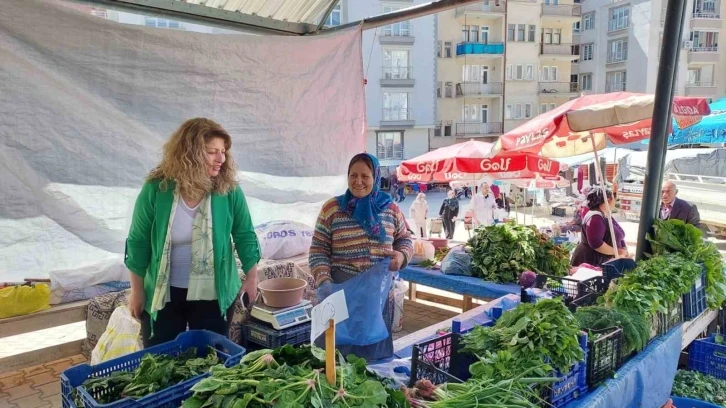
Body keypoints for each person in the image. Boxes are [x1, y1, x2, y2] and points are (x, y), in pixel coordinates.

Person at [125, 118, 261, 347]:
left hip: (213, 293)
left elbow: (244, 234)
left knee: (210, 358)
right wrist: (137, 291)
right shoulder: (157, 189)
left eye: (223, 152)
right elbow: (138, 242)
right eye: (211, 152)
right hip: (163, 294)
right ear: (189, 153)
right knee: (160, 361)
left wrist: (252, 277)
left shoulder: (228, 190)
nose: (221, 159)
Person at [309, 153, 413, 361]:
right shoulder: (332, 209)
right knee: (335, 360)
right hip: (339, 293)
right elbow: (318, 249)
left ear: (375, 178)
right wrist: (325, 282)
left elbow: (405, 239)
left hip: (377, 297)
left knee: (374, 360)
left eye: (365, 176)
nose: (358, 182)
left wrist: (401, 257)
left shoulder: (390, 209)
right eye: (353, 175)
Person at [571, 188, 628, 267]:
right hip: (591, 260)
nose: (615, 201)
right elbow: (596, 243)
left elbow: (617, 235)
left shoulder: (605, 214)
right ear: (608, 200)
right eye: (614, 198)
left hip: (601, 259)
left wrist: (624, 250)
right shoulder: (595, 217)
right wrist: (617, 252)